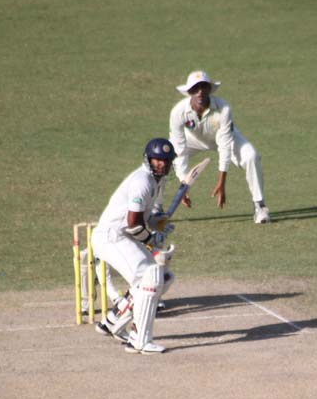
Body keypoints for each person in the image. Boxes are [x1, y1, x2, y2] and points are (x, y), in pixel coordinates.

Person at [91, 138, 178, 354]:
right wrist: (152, 240)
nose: (163, 164)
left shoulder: (155, 181)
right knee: (149, 277)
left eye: (166, 161)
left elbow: (140, 218)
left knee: (164, 278)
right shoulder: (143, 181)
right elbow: (132, 224)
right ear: (148, 159)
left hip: (122, 236)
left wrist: (157, 222)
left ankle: (113, 321)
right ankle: (139, 340)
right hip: (111, 237)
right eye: (158, 160)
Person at [168, 70, 270, 224]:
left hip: (222, 138)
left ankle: (259, 206)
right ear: (189, 92)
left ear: (210, 89)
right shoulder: (178, 112)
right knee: (161, 160)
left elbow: (224, 145)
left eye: (204, 87)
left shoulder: (224, 108)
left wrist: (222, 182)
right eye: (196, 88)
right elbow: (179, 150)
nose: (200, 92)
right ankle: (155, 209)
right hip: (192, 140)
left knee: (251, 156)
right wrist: (184, 184)